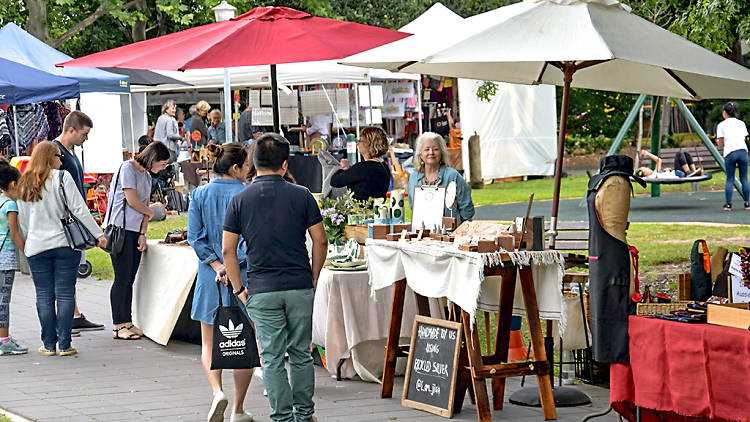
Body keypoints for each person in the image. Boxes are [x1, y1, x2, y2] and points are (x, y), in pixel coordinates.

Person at [223, 133, 327, 422]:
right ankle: (304, 415)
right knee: (301, 355)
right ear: (284, 164)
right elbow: (320, 240)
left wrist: (239, 288)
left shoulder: (240, 200)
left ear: (253, 163)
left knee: (271, 358)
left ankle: (282, 417)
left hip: (261, 288)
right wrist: (314, 277)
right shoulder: (302, 194)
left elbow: (227, 250)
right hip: (298, 285)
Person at [17, 141, 106, 356]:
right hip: (65, 244)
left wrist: (28, 242)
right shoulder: (62, 178)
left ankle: (48, 344)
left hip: (37, 246)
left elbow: (23, 221)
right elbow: (80, 210)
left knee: (44, 295)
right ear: (49, 158)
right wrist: (98, 234)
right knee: (65, 294)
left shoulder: (25, 183)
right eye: (58, 156)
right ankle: (65, 345)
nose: (61, 160)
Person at [188, 143, 254, 422]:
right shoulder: (248, 194)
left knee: (209, 342)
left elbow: (195, 237)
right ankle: (238, 409)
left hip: (210, 276)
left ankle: (217, 392)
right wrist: (231, 266)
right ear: (236, 167)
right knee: (245, 343)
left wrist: (217, 265)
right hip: (244, 276)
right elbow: (252, 239)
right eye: (247, 166)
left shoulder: (199, 194)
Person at [105, 142, 170, 340]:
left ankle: (127, 321)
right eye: (163, 163)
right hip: (120, 230)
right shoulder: (128, 168)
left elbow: (144, 206)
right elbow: (132, 200)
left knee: (130, 279)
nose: (163, 167)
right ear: (153, 159)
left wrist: (143, 232)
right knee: (122, 278)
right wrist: (152, 212)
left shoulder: (147, 176)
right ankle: (118, 324)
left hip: (135, 231)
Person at [54, 111, 105, 333]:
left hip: (75, 217)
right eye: (84, 133)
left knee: (71, 269)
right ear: (71, 129)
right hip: (65, 220)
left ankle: (73, 314)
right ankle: (63, 316)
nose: (86, 138)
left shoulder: (70, 152)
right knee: (64, 271)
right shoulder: (56, 152)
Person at [408, 132, 475, 224]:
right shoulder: (413, 177)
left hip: (451, 234)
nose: (431, 152)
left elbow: (466, 206)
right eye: (427, 149)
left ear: (442, 152)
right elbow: (413, 206)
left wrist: (462, 230)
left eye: (435, 149)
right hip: (422, 233)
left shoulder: (452, 176)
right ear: (420, 154)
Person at [0, 163, 27, 356]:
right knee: (3, 300)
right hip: (6, 258)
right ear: (12, 184)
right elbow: (14, 233)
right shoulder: (11, 205)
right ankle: (4, 341)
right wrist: (28, 252)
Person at [330, 126, 391, 200]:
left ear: (368, 144)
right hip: (379, 208)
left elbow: (335, 181)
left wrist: (343, 168)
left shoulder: (362, 168)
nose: (357, 144)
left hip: (362, 210)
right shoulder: (384, 166)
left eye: (360, 141)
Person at [717, 101, 750, 211]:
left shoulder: (721, 125)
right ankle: (747, 203)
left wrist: (718, 142)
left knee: (730, 178)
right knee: (744, 177)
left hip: (730, 152)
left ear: (724, 113)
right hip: (743, 151)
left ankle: (728, 204)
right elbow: (744, 138)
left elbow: (721, 144)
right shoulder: (741, 123)